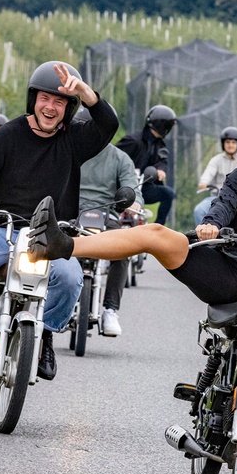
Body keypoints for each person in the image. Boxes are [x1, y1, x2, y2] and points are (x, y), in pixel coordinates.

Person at [27, 105, 237, 310]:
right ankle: (61, 245)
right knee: (155, 233)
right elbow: (223, 206)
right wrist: (211, 225)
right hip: (225, 271)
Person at [0, 61, 119, 381]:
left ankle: (44, 336)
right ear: (33, 100)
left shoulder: (75, 139)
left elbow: (108, 124)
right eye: (45, 98)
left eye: (60, 101)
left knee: (71, 275)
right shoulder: (8, 135)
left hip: (48, 237)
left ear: (69, 107)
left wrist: (86, 93)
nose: (50, 107)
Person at [73, 105, 143, 337]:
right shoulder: (68, 150)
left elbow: (130, 184)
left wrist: (135, 202)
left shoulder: (120, 158)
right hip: (71, 213)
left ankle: (110, 309)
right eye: (85, 128)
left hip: (107, 215)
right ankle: (52, 302)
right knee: (49, 247)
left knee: (124, 249)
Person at [116, 104, 176, 225]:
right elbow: (114, 158)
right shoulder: (133, 141)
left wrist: (160, 169)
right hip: (123, 187)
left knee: (168, 194)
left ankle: (158, 227)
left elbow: (162, 160)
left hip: (143, 187)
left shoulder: (160, 144)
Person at [194, 126, 237, 224]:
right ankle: (202, 238)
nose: (230, 145)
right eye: (227, 142)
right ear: (223, 144)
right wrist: (204, 182)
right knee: (199, 210)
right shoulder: (216, 160)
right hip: (217, 197)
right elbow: (208, 173)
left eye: (233, 142)